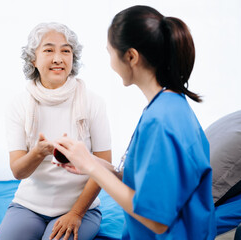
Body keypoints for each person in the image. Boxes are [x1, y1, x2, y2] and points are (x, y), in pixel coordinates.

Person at [54, 5, 216, 240]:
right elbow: (152, 178)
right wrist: (92, 163)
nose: (110, 63)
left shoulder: (161, 121)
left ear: (131, 56)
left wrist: (91, 168)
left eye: (110, 52)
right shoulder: (168, 105)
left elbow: (156, 220)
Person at [0, 22, 111, 240]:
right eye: (49, 50)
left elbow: (103, 166)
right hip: (28, 206)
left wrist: (76, 213)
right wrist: (38, 153)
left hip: (80, 209)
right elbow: (18, 172)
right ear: (33, 59)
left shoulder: (93, 102)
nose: (58, 58)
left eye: (66, 51)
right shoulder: (18, 104)